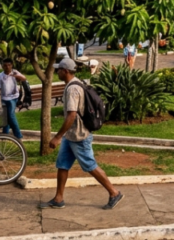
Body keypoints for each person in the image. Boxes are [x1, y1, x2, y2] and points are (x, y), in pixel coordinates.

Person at [40, 58, 123, 210]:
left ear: (65, 71)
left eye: (59, 69)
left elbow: (71, 115)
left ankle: (114, 193)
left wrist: (57, 137)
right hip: (71, 135)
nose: (57, 71)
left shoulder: (72, 89)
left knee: (90, 165)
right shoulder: (77, 82)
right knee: (63, 165)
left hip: (79, 135)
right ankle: (59, 199)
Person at [0, 59, 25, 140]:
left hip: (13, 98)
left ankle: (18, 135)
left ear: (12, 65)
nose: (7, 67)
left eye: (9, 65)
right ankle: (5, 134)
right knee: (5, 116)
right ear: (2, 66)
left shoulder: (15, 72)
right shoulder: (0, 76)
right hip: (4, 99)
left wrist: (16, 76)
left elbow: (24, 78)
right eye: (5, 65)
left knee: (11, 116)